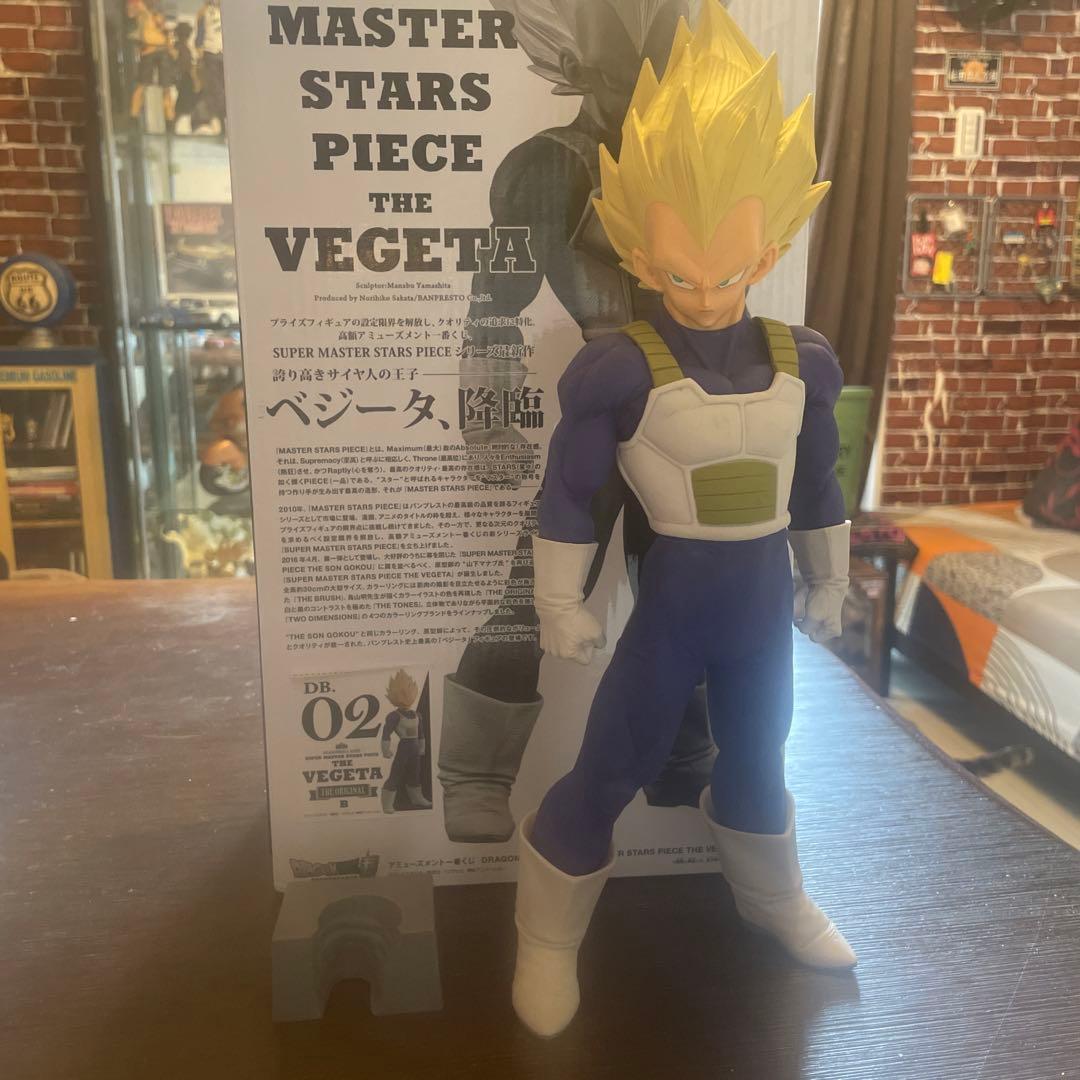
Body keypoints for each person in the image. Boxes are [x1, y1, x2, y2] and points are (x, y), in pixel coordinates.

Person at [510, 1, 857, 1038]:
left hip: (759, 616)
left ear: (774, 243)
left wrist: (831, 578)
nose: (704, 297)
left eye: (730, 273)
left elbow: (819, 482)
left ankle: (772, 896)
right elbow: (570, 490)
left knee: (760, 762)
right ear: (634, 249)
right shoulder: (618, 367)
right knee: (609, 769)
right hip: (670, 620)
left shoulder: (806, 360)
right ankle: (547, 936)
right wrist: (558, 602)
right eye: (677, 275)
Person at [438, 0, 719, 846]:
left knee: (688, 591)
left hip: (694, 413)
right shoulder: (549, 166)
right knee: (534, 590)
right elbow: (496, 301)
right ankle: (477, 772)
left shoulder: (703, 160)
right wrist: (487, 418)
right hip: (607, 405)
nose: (638, 82)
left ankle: (683, 757)